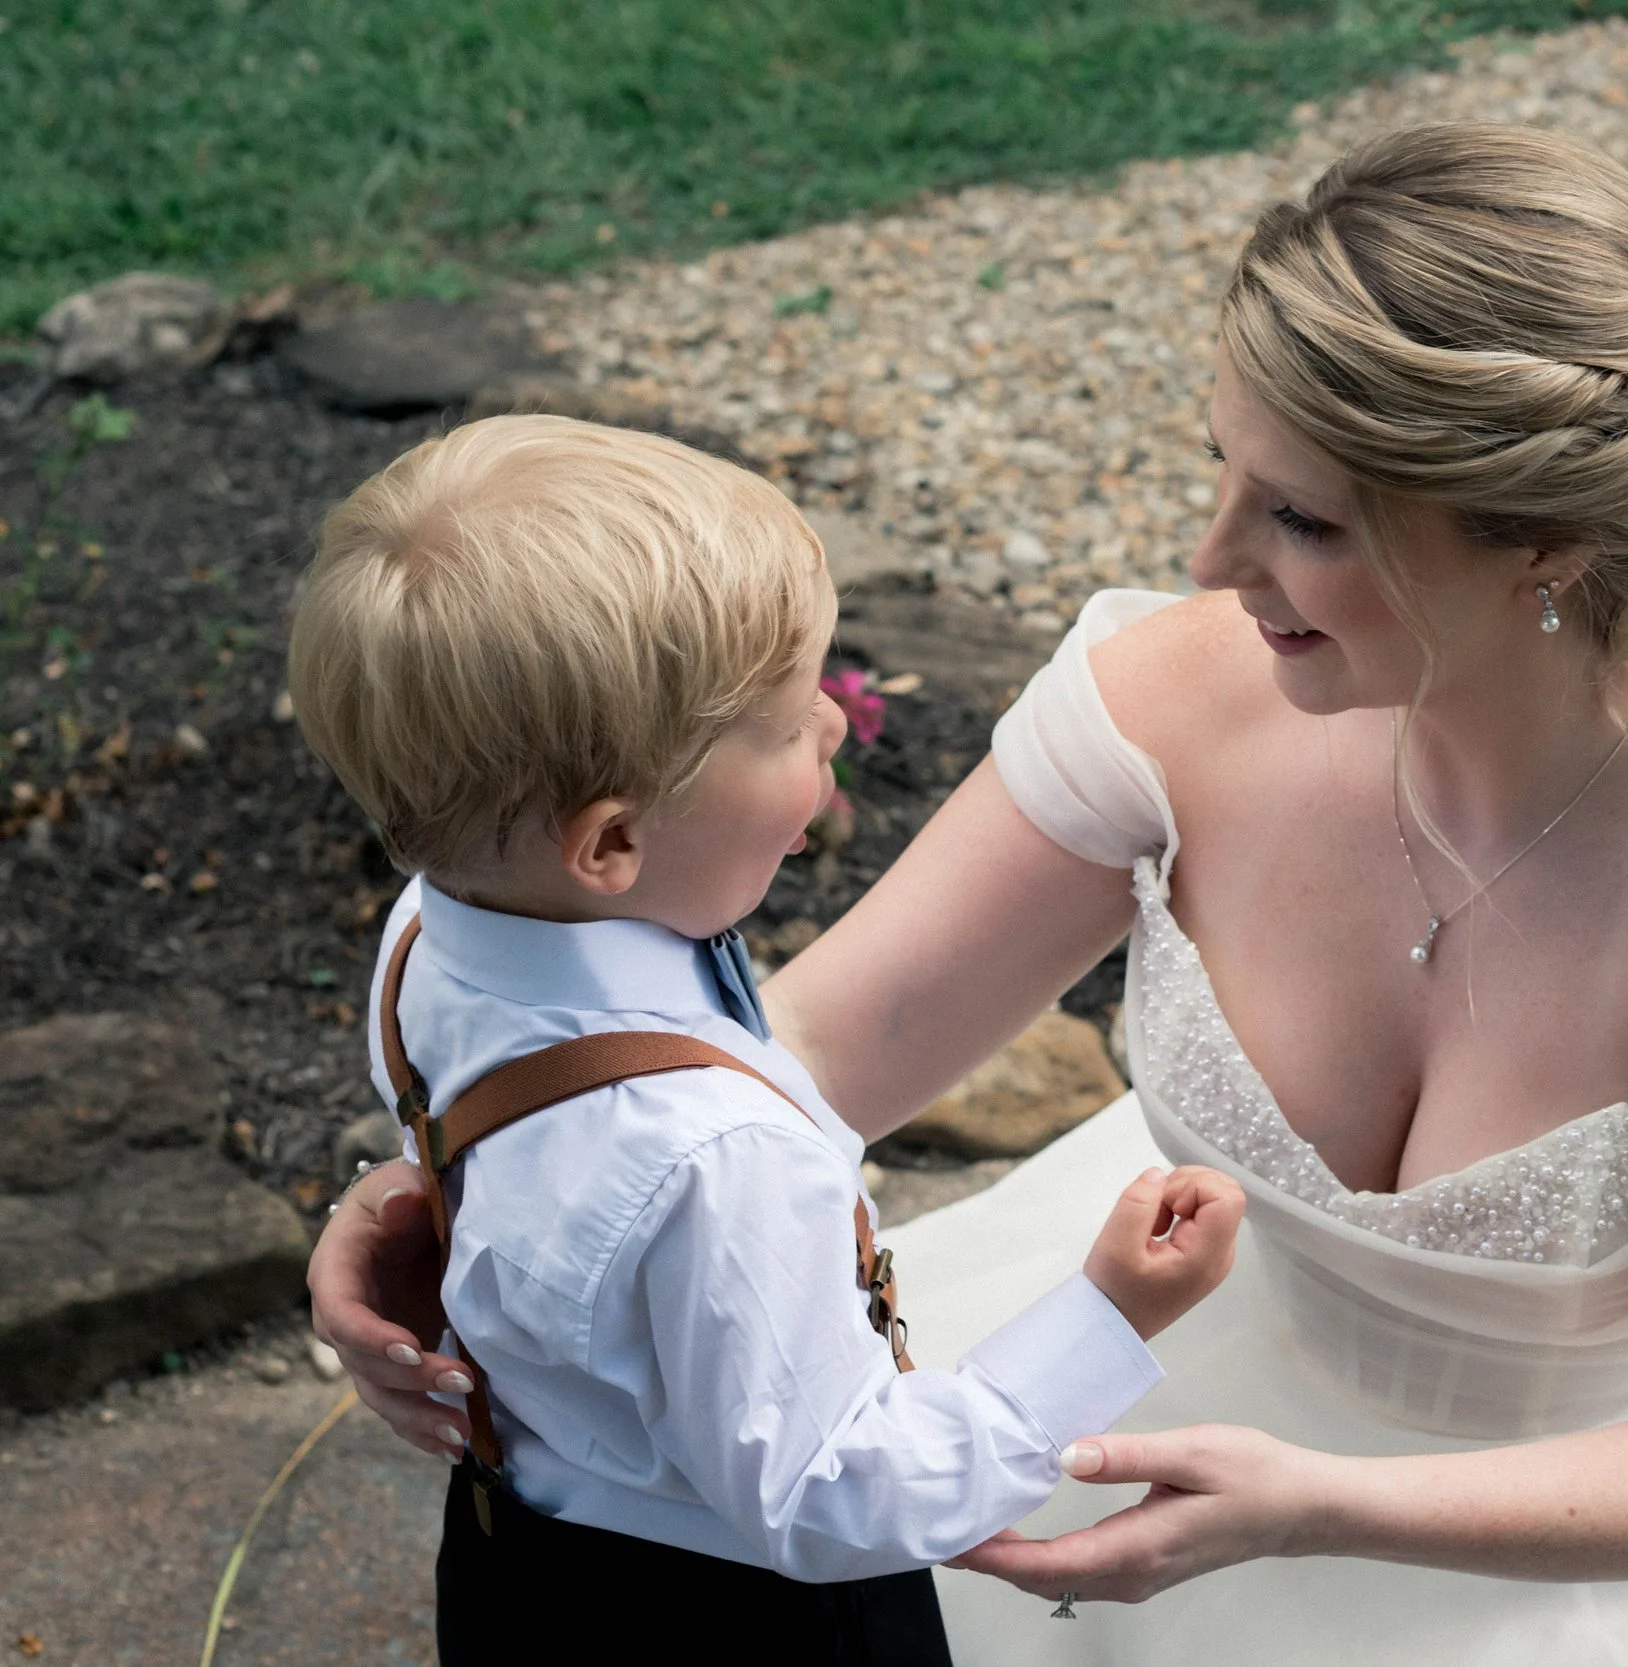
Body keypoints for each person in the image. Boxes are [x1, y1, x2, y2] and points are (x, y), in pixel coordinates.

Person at [312, 129, 1628, 1663]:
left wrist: (1310, 1504)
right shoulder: (1174, 699)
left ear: (1538, 541)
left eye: (1304, 520)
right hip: (1152, 1435)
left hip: (1627, 1550)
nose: (1207, 565)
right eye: (1226, 475)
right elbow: (808, 1064)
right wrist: (470, 1182)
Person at [288, 414, 1244, 1662]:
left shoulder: (427, 930)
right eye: (789, 724)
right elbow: (830, 1493)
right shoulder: (719, 1154)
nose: (836, 728)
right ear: (612, 844)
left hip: (517, 1564)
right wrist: (1106, 1317)